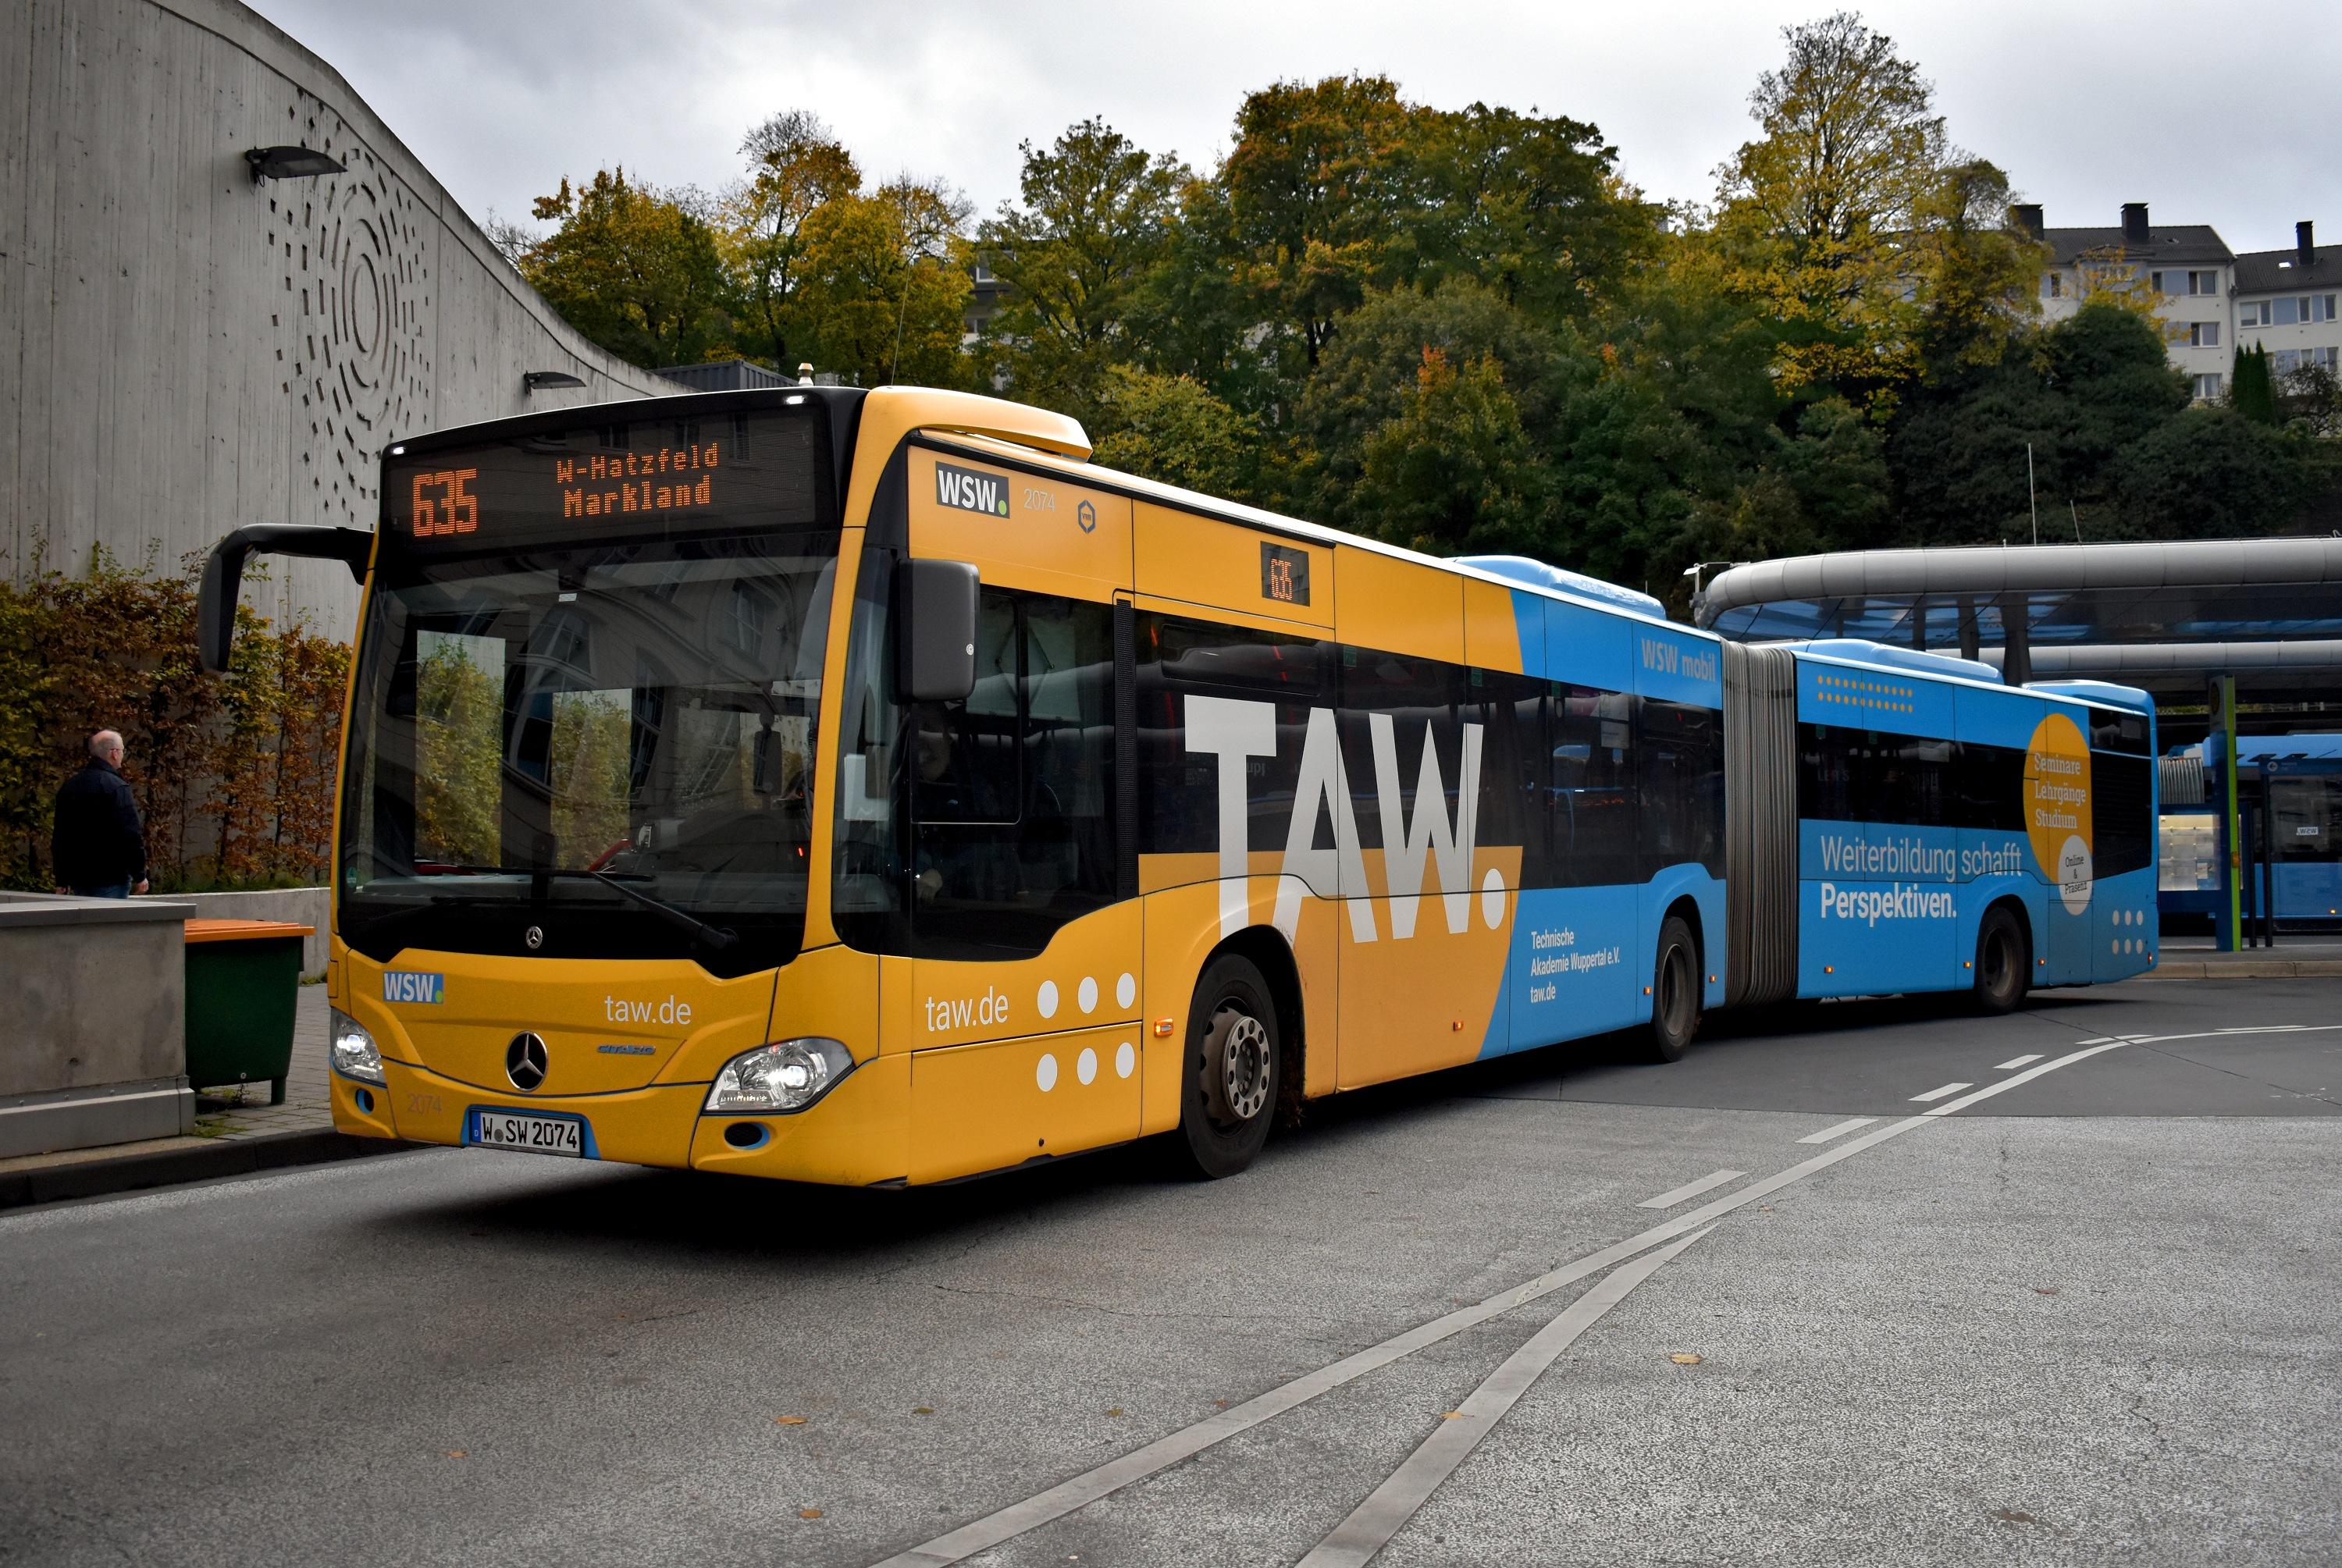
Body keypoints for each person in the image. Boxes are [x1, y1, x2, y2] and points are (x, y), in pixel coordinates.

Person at [52, 730, 148, 898]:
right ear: (114, 753)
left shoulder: (70, 787)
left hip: (79, 877)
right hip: (111, 877)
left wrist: (62, 879)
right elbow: (130, 835)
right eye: (122, 751)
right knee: (111, 923)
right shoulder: (116, 788)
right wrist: (139, 874)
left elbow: (61, 837)